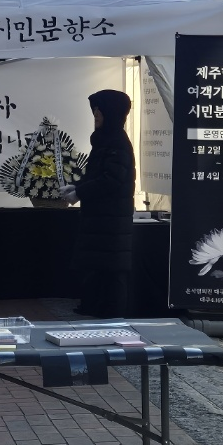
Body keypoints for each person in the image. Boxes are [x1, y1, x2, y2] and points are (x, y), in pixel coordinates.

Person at [61, 89, 135, 318]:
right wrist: (76, 187)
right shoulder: (105, 140)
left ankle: (110, 314)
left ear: (111, 113)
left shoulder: (117, 142)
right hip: (100, 217)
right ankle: (93, 307)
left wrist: (80, 192)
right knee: (96, 266)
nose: (95, 116)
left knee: (111, 271)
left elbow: (111, 180)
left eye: (99, 111)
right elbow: (96, 175)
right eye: (94, 112)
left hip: (110, 219)